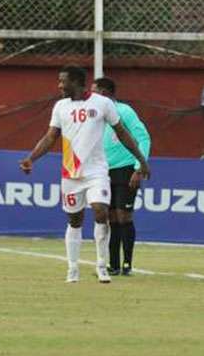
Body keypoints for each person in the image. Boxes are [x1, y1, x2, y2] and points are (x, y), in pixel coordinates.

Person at [19, 66, 150, 284]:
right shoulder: (60, 107)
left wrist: (141, 161)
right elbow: (51, 136)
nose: (59, 86)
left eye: (63, 81)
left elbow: (122, 133)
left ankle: (102, 265)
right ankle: (73, 269)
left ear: (77, 82)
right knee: (75, 220)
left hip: (97, 171)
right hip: (70, 173)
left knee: (100, 211)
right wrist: (31, 158)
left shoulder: (102, 103)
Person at [93, 77, 151, 276]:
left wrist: (138, 167)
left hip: (126, 169)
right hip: (102, 171)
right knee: (109, 217)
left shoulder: (124, 111)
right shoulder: (96, 114)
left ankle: (127, 264)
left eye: (94, 91)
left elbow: (143, 137)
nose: (91, 95)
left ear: (104, 92)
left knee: (123, 216)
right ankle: (113, 265)